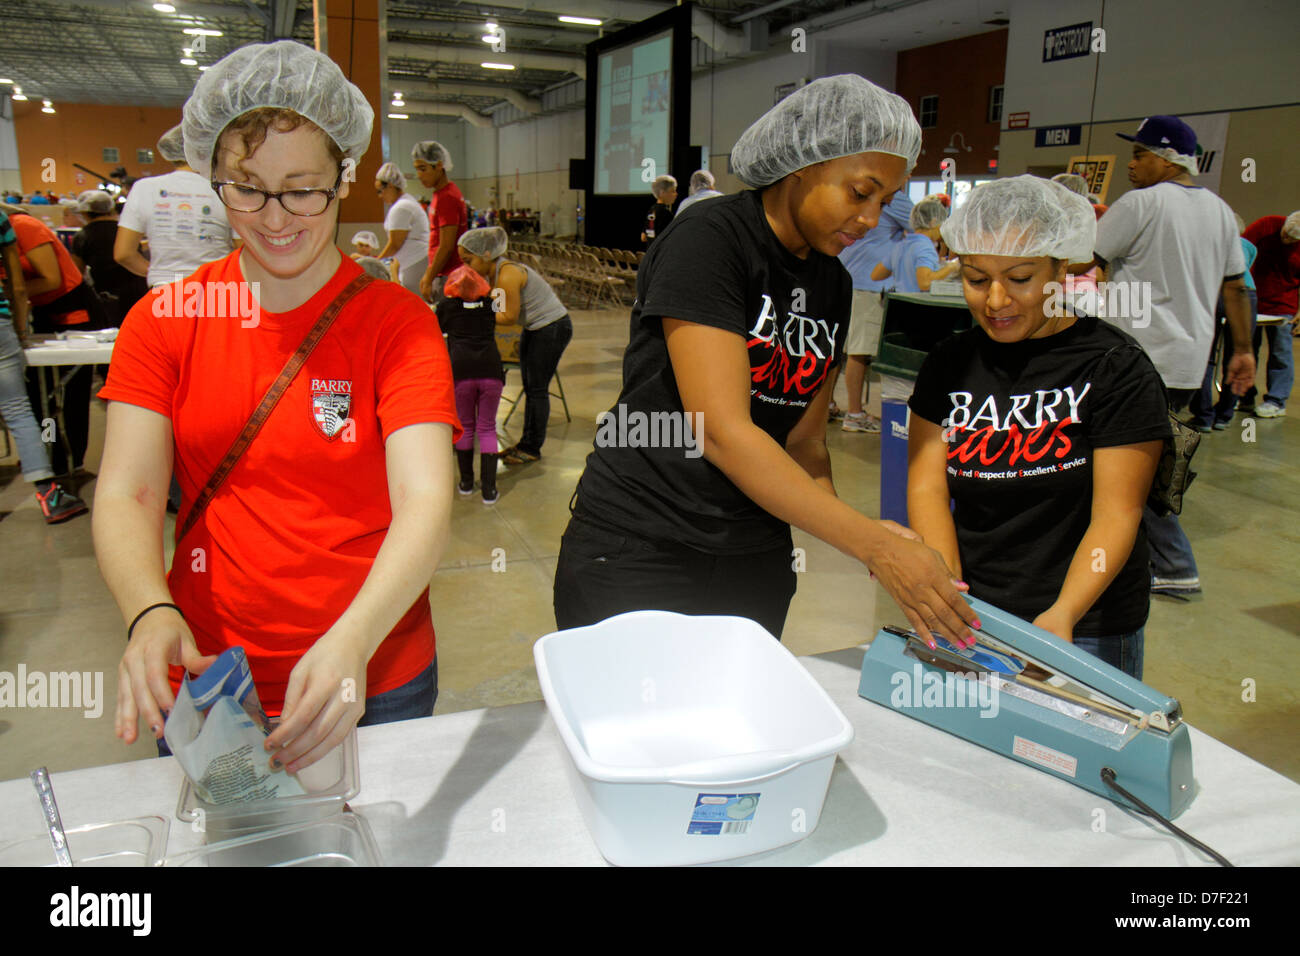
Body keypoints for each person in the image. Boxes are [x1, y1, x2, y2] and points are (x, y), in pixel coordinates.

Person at [94, 40, 461, 772]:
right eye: (246, 186)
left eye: (303, 187)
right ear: (214, 179)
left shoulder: (396, 323)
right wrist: (147, 610)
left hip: (371, 669)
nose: (274, 216)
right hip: (207, 676)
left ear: (341, 177)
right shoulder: (168, 319)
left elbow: (424, 499)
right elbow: (129, 492)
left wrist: (353, 639)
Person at [553, 74, 979, 647]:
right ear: (803, 164)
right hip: (643, 544)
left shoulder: (833, 280)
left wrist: (859, 531)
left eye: (885, 201)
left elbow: (804, 441)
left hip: (753, 553)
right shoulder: (711, 242)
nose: (872, 218)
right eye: (860, 192)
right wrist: (873, 544)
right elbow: (723, 432)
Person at [908, 177, 1168, 679]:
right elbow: (927, 487)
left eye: (1020, 277)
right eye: (976, 279)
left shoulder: (1114, 366)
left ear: (1060, 267)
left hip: (1088, 618)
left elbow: (1118, 512)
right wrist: (949, 590)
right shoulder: (949, 363)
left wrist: (1065, 613)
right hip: (979, 607)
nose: (996, 300)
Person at [1084, 115, 1254, 597]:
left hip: (1134, 357)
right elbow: (1236, 288)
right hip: (1185, 362)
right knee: (1144, 455)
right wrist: (1241, 352)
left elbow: (1082, 259)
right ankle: (1135, 554)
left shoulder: (1140, 204)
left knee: (1124, 465)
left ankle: (1174, 565)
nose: (1131, 166)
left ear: (1167, 158)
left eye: (1139, 155)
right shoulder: (1220, 211)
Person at [3, 203, 112, 474]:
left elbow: (51, 279)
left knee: (68, 395)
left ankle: (68, 459)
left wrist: (8, 298)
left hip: (73, 310)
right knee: (40, 396)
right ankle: (47, 454)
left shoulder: (23, 227)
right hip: (40, 311)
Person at [0, 209, 88, 523]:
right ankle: (49, 493)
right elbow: (18, 287)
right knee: (18, 410)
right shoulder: (3, 220)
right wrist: (21, 330)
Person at [457, 225, 571, 465]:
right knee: (531, 387)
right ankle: (525, 443)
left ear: (486, 253)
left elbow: (507, 317)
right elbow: (497, 309)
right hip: (536, 328)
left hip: (551, 328)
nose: (466, 267)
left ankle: (531, 448)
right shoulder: (495, 273)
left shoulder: (507, 275)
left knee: (537, 389)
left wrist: (474, 314)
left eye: (469, 260)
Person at [829, 191, 915, 429]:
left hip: (846, 279)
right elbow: (923, 224)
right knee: (860, 351)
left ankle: (828, 404)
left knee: (839, 349)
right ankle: (855, 415)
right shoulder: (894, 198)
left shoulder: (860, 195)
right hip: (868, 286)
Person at [114, 123, 236, 288]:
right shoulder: (227, 190)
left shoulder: (145, 188)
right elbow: (244, 252)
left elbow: (123, 254)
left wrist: (160, 275)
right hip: (215, 289)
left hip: (164, 291)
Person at [436, 258, 503, 504]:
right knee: (487, 428)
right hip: (491, 370)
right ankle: (489, 490)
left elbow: (437, 328)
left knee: (465, 425)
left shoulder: (447, 307)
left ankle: (465, 483)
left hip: (460, 370)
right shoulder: (490, 304)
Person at [1188, 213, 1259, 431]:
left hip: (1216, 291)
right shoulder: (1249, 246)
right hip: (1247, 295)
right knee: (1236, 353)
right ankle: (1225, 415)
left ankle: (1204, 415)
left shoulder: (1209, 242)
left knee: (1207, 356)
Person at [1238, 212, 1300, 419]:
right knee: (1248, 350)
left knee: (1280, 354)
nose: (1286, 240)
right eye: (1285, 235)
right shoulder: (1267, 224)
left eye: (1292, 240)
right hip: (1253, 299)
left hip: (1283, 306)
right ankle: (1244, 396)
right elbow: (1241, 248)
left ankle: (1276, 401)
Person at [71, 190, 148, 327]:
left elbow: (77, 271)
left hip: (107, 293)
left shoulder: (83, 235)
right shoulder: (126, 230)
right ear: (110, 208)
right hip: (137, 288)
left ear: (84, 212)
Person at [412, 140, 468, 303]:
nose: (419, 175)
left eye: (423, 169)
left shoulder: (447, 197)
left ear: (439, 166)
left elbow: (446, 245)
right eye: (417, 170)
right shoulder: (440, 194)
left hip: (449, 274)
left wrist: (428, 277)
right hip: (443, 273)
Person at [871, 197, 961, 293]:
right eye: (941, 225)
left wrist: (903, 270)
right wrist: (951, 267)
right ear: (933, 222)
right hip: (917, 304)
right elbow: (925, 284)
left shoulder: (901, 245)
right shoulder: (925, 247)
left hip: (899, 301)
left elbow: (876, 275)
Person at [373, 161, 429, 296]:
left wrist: (375, 263)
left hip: (415, 262)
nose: (380, 196)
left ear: (391, 186)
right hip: (413, 261)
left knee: (415, 304)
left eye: (380, 191)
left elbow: (395, 244)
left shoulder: (401, 207)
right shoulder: (406, 202)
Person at [640, 175, 677, 247]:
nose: (676, 194)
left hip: (651, 253)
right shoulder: (666, 213)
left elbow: (643, 237)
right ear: (662, 193)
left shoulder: (651, 210)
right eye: (673, 191)